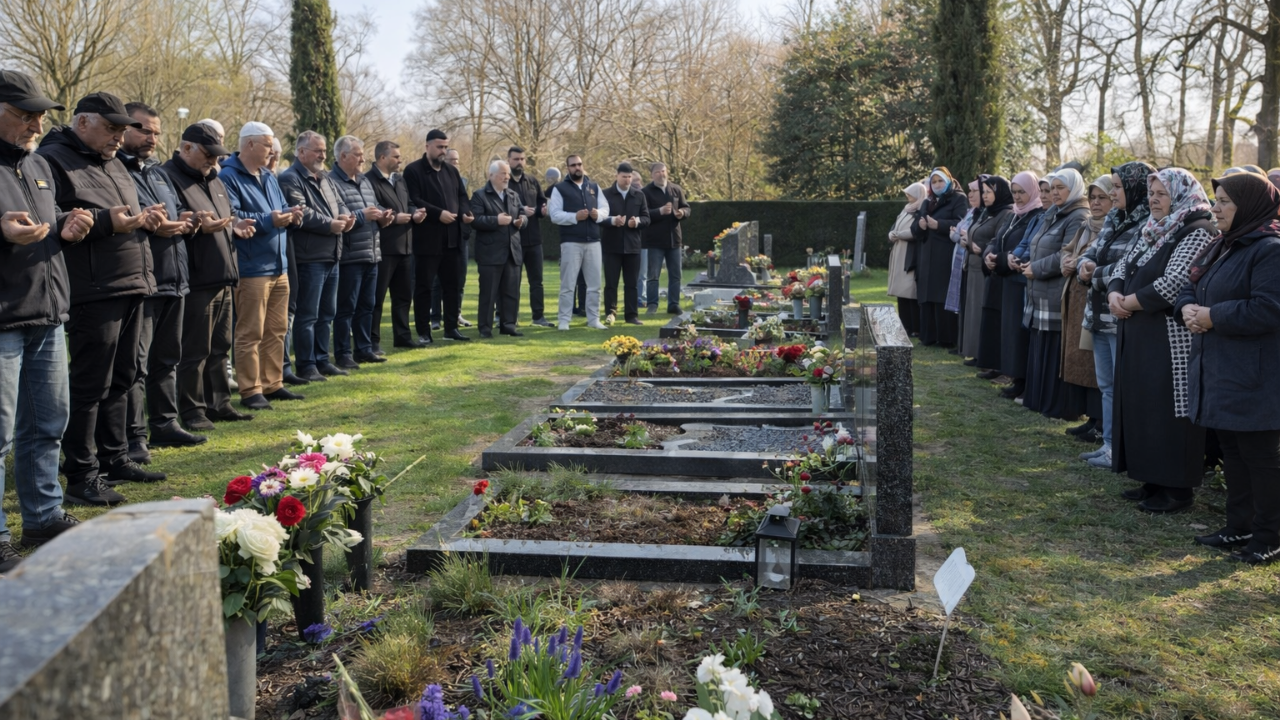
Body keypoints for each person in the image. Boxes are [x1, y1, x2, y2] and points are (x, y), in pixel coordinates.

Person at [38, 91, 168, 500]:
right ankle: (81, 473)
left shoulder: (113, 162)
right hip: (92, 289)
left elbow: (121, 217)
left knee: (124, 377)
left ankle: (115, 456)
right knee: (90, 383)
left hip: (131, 280)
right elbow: (53, 220)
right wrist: (103, 222)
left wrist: (143, 220)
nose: (117, 137)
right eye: (110, 128)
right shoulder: (53, 159)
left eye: (121, 129)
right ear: (82, 123)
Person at [0, 70, 95, 569]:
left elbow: (45, 222)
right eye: (25, 113)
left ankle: (43, 515)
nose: (37, 122)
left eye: (40, 113)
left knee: (47, 425)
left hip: (47, 313)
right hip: (4, 320)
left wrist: (67, 224)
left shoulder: (36, 164)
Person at [1177, 170, 1280, 564]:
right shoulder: (1226, 244)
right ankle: (1240, 524)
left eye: (1223, 202)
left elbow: (1270, 308)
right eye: (1215, 200)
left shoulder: (1269, 249)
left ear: (1248, 207)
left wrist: (1213, 316)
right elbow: (1193, 282)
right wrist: (1187, 307)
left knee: (1261, 458)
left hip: (1254, 375)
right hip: (1221, 369)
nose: (1214, 208)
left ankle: (1269, 535)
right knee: (1233, 452)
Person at [1108, 167, 1217, 513]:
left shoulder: (1197, 230)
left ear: (1180, 196)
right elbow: (1121, 266)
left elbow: (1174, 283)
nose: (1154, 200)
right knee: (1143, 407)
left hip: (1171, 341)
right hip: (1138, 332)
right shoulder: (1153, 227)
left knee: (1168, 413)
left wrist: (1128, 302)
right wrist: (1113, 293)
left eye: (1162, 194)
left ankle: (1177, 490)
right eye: (1151, 193)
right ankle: (1151, 479)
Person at [118, 103, 205, 463]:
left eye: (155, 132)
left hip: (175, 275)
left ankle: (165, 422)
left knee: (167, 357)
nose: (151, 138)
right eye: (143, 130)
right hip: (144, 279)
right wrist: (155, 224)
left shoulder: (156, 172)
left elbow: (169, 215)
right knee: (135, 365)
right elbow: (134, 219)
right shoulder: (117, 171)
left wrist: (186, 219)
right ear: (123, 128)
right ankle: (134, 436)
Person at [164, 123, 249, 433]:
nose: (214, 162)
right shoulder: (168, 177)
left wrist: (235, 226)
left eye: (217, 157)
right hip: (196, 278)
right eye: (208, 155)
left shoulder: (214, 180)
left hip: (224, 274)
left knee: (220, 346)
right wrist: (196, 225)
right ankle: (193, 409)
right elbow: (171, 223)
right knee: (195, 349)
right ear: (186, 148)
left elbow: (225, 219)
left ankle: (220, 403)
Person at [219, 122, 302, 411]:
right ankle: (251, 389)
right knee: (250, 331)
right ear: (250, 144)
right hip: (252, 266)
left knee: (277, 329)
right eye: (268, 145)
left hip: (279, 265)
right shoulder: (228, 176)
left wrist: (292, 215)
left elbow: (277, 207)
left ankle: (272, 382)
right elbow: (231, 215)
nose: (272, 151)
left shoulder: (268, 175)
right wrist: (271, 220)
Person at [1078, 162, 1154, 469]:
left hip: (1121, 317)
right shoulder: (1114, 216)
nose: (1113, 193)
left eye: (1118, 187)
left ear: (1136, 189)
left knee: (1123, 386)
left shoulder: (1147, 222)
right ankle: (1109, 445)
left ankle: (1124, 448)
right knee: (1107, 385)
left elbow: (1131, 267)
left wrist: (1091, 273)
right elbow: (1092, 252)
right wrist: (1087, 264)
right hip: (1098, 312)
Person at [280, 130, 355, 385]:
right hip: (309, 257)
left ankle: (323, 360)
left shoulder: (325, 177)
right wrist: (331, 224)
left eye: (324, 150)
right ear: (301, 152)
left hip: (332, 254)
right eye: (317, 150)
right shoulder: (290, 178)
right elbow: (303, 212)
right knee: (308, 315)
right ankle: (307, 364)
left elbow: (341, 203)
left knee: (327, 314)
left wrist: (346, 217)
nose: (323, 155)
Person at [1021, 170, 1088, 419]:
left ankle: (1055, 405)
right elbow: (1038, 244)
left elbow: (1066, 254)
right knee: (1041, 348)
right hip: (1039, 292)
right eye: (1053, 187)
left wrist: (1036, 269)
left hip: (1057, 293)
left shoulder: (1078, 216)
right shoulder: (1053, 213)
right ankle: (1038, 400)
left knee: (1053, 352)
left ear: (1075, 188)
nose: (1055, 192)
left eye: (1061, 187)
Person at [1057, 175, 1113, 443]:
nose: (1095, 202)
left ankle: (1102, 422)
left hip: (1098, 298)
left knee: (1095, 362)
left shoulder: (1112, 227)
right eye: (1092, 197)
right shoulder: (1087, 225)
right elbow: (1067, 250)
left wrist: (1077, 263)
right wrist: (1067, 260)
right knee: (1083, 358)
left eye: (1102, 197)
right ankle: (1093, 417)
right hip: (1077, 297)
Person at [405, 129, 473, 343]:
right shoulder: (413, 170)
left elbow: (462, 196)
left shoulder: (451, 172)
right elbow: (414, 199)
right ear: (427, 147)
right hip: (427, 240)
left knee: (452, 286)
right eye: (439, 147)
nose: (443, 151)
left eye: (445, 147)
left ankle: (451, 328)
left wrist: (464, 213)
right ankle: (424, 331)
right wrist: (438, 214)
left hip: (453, 239)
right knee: (424, 287)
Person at [329, 135, 388, 367]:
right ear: (343, 156)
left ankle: (364, 349)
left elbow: (373, 205)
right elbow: (338, 215)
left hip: (372, 252)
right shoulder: (331, 181)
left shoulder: (364, 181)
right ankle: (343, 353)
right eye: (358, 154)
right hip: (350, 255)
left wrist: (384, 213)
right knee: (346, 308)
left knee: (367, 305)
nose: (363, 158)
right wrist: (365, 216)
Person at [986, 172, 1042, 399]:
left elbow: (1025, 246)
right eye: (1015, 192)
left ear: (1033, 191)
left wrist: (1006, 258)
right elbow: (997, 238)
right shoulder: (1015, 215)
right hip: (1008, 279)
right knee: (1010, 331)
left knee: (1020, 333)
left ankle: (1022, 380)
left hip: (1021, 280)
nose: (1018, 197)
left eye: (1022, 192)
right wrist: (991, 255)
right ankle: (1014, 376)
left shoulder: (1037, 214)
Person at [368, 140, 427, 350]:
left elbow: (409, 203)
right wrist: (395, 218)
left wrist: (414, 213)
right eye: (396, 157)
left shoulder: (400, 180)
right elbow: (373, 208)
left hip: (405, 247)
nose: (400, 160)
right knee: (377, 298)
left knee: (403, 297)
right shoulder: (369, 181)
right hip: (383, 247)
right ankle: (372, 342)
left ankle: (403, 337)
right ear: (382, 158)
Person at [551, 154, 609, 330]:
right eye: (573, 165)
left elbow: (606, 208)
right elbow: (554, 215)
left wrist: (597, 214)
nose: (577, 167)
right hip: (571, 241)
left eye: (579, 164)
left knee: (595, 284)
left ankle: (594, 319)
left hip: (594, 241)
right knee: (568, 283)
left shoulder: (593, 187)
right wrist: (574, 216)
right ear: (567, 168)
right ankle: (564, 320)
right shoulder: (560, 189)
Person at [470, 159, 526, 338]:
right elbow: (475, 220)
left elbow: (523, 213)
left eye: (508, 174)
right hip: (490, 253)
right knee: (489, 293)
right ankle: (485, 328)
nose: (507, 177)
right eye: (503, 173)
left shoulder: (512, 195)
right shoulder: (480, 195)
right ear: (491, 175)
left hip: (512, 251)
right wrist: (496, 220)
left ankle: (508, 325)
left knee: (511, 292)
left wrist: (522, 221)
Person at [912, 167, 967, 346]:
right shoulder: (927, 202)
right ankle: (928, 336)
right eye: (934, 182)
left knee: (941, 295)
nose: (937, 185)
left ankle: (945, 338)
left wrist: (939, 225)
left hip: (945, 254)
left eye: (940, 181)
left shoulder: (959, 199)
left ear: (949, 181)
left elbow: (962, 223)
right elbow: (915, 230)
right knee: (927, 296)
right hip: (926, 256)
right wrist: (920, 226)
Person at [969, 175, 1013, 373]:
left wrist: (986, 250)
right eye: (983, 192)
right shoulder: (988, 212)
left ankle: (996, 366)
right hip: (987, 266)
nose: (985, 196)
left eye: (989, 192)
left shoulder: (1007, 213)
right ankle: (987, 361)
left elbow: (999, 240)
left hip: (998, 270)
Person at [600, 162, 651, 325]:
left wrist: (636, 222)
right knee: (611, 283)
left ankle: (631, 315)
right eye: (624, 177)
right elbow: (598, 218)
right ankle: (610, 313)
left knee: (632, 283)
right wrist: (612, 221)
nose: (627, 180)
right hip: (611, 245)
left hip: (633, 246)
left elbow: (646, 218)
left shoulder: (639, 195)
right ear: (617, 176)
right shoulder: (605, 194)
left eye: (629, 177)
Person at [504, 147, 550, 327]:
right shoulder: (504, 181)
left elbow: (541, 201)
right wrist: (521, 211)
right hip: (514, 239)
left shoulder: (532, 181)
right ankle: (509, 317)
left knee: (537, 281)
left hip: (535, 240)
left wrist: (542, 210)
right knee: (512, 281)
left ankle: (538, 317)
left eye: (522, 159)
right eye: (516, 159)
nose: (520, 162)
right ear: (509, 160)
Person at [430, 147, 474, 330]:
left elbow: (465, 203)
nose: (455, 163)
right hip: (440, 238)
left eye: (457, 160)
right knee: (437, 281)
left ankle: (456, 314)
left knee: (460, 278)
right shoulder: (436, 179)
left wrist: (466, 214)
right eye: (451, 160)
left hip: (460, 237)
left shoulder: (462, 181)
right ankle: (435, 318)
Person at [642, 162, 691, 315]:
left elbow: (687, 207)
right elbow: (643, 214)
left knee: (676, 275)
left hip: (674, 240)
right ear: (652, 175)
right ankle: (652, 305)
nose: (661, 174)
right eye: (657, 172)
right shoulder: (645, 192)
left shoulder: (676, 189)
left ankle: (674, 304)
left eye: (663, 171)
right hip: (654, 241)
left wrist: (682, 213)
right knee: (653, 275)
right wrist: (659, 211)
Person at [951, 179, 982, 361]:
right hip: (965, 261)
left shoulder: (983, 214)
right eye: (969, 191)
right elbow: (958, 233)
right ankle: (963, 345)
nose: (970, 195)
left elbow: (963, 234)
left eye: (975, 191)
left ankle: (970, 348)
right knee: (964, 305)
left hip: (976, 264)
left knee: (973, 307)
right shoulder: (972, 211)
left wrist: (961, 236)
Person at [888, 182, 925, 336]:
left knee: (910, 291)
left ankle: (915, 327)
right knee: (901, 292)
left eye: (910, 194)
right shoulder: (906, 209)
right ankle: (904, 325)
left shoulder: (921, 209)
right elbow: (895, 226)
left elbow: (916, 231)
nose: (908, 197)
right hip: (899, 252)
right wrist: (891, 234)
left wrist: (899, 235)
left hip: (910, 254)